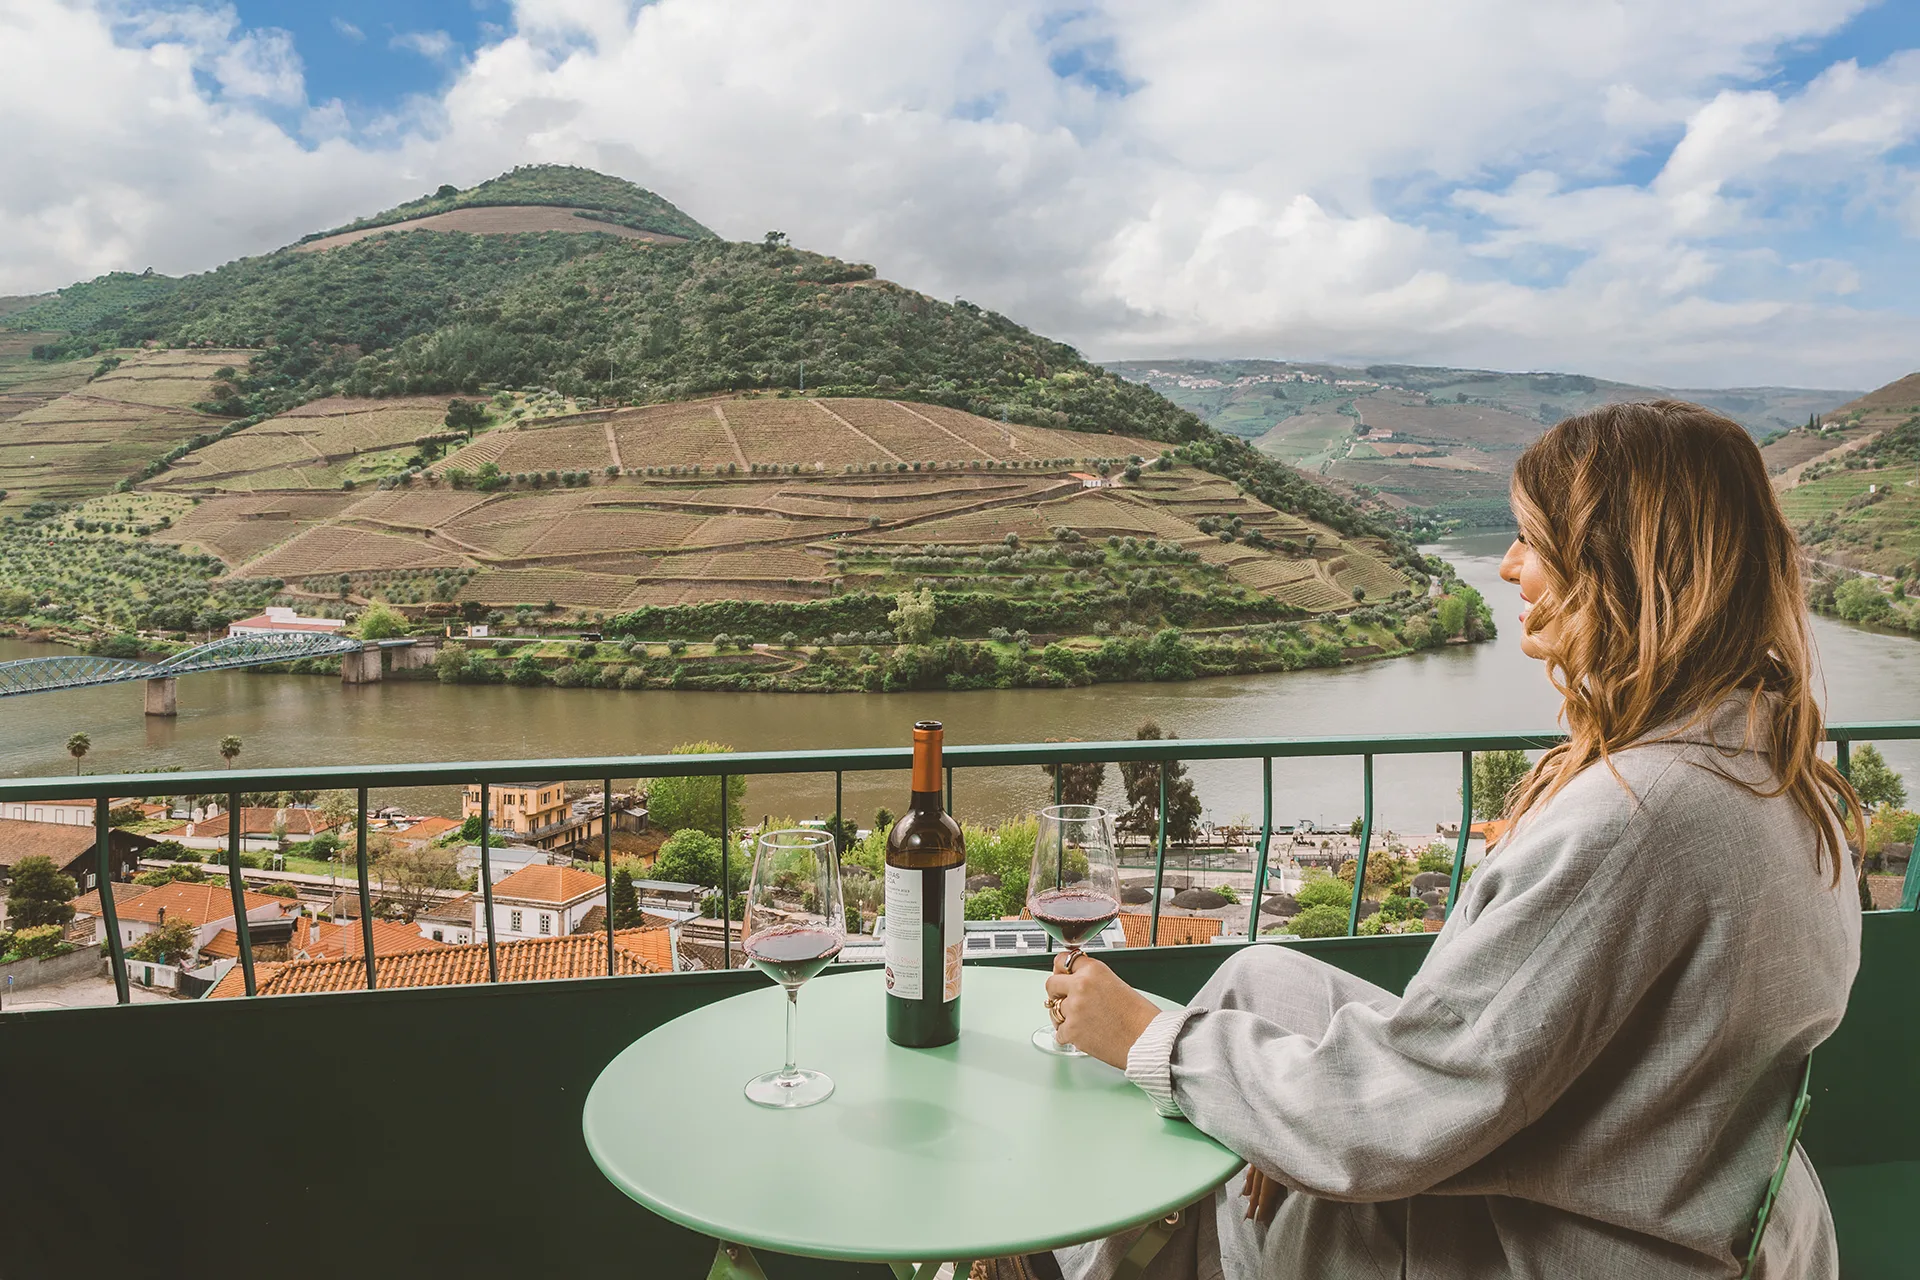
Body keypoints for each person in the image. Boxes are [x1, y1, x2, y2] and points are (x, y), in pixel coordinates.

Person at [1038, 401, 1863, 1280]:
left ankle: (1051, 1259)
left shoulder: (1638, 819)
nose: (1507, 567)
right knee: (1259, 977)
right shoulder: (1771, 767)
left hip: (1559, 1246)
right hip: (1676, 1181)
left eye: (1532, 541)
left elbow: (1396, 1116)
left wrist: (1150, 1039)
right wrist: (1277, 1109)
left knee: (1198, 1113)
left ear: (1619, 568)